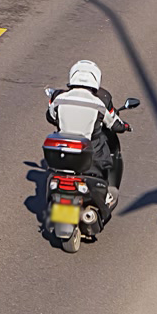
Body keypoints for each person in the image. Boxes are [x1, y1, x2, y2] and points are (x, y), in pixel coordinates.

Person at [47, 59, 130, 212]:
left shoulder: (59, 99)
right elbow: (114, 125)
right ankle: (106, 194)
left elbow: (50, 116)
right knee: (104, 150)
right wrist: (125, 126)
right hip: (89, 157)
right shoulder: (98, 104)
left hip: (62, 153)